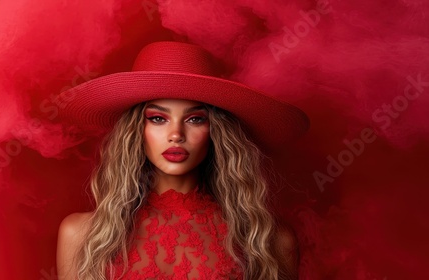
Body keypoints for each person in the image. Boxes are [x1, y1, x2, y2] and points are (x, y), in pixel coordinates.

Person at [56, 41, 309, 280]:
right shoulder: (81, 235)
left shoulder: (268, 241)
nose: (176, 135)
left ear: (216, 132)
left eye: (195, 119)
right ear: (135, 131)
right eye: (158, 118)